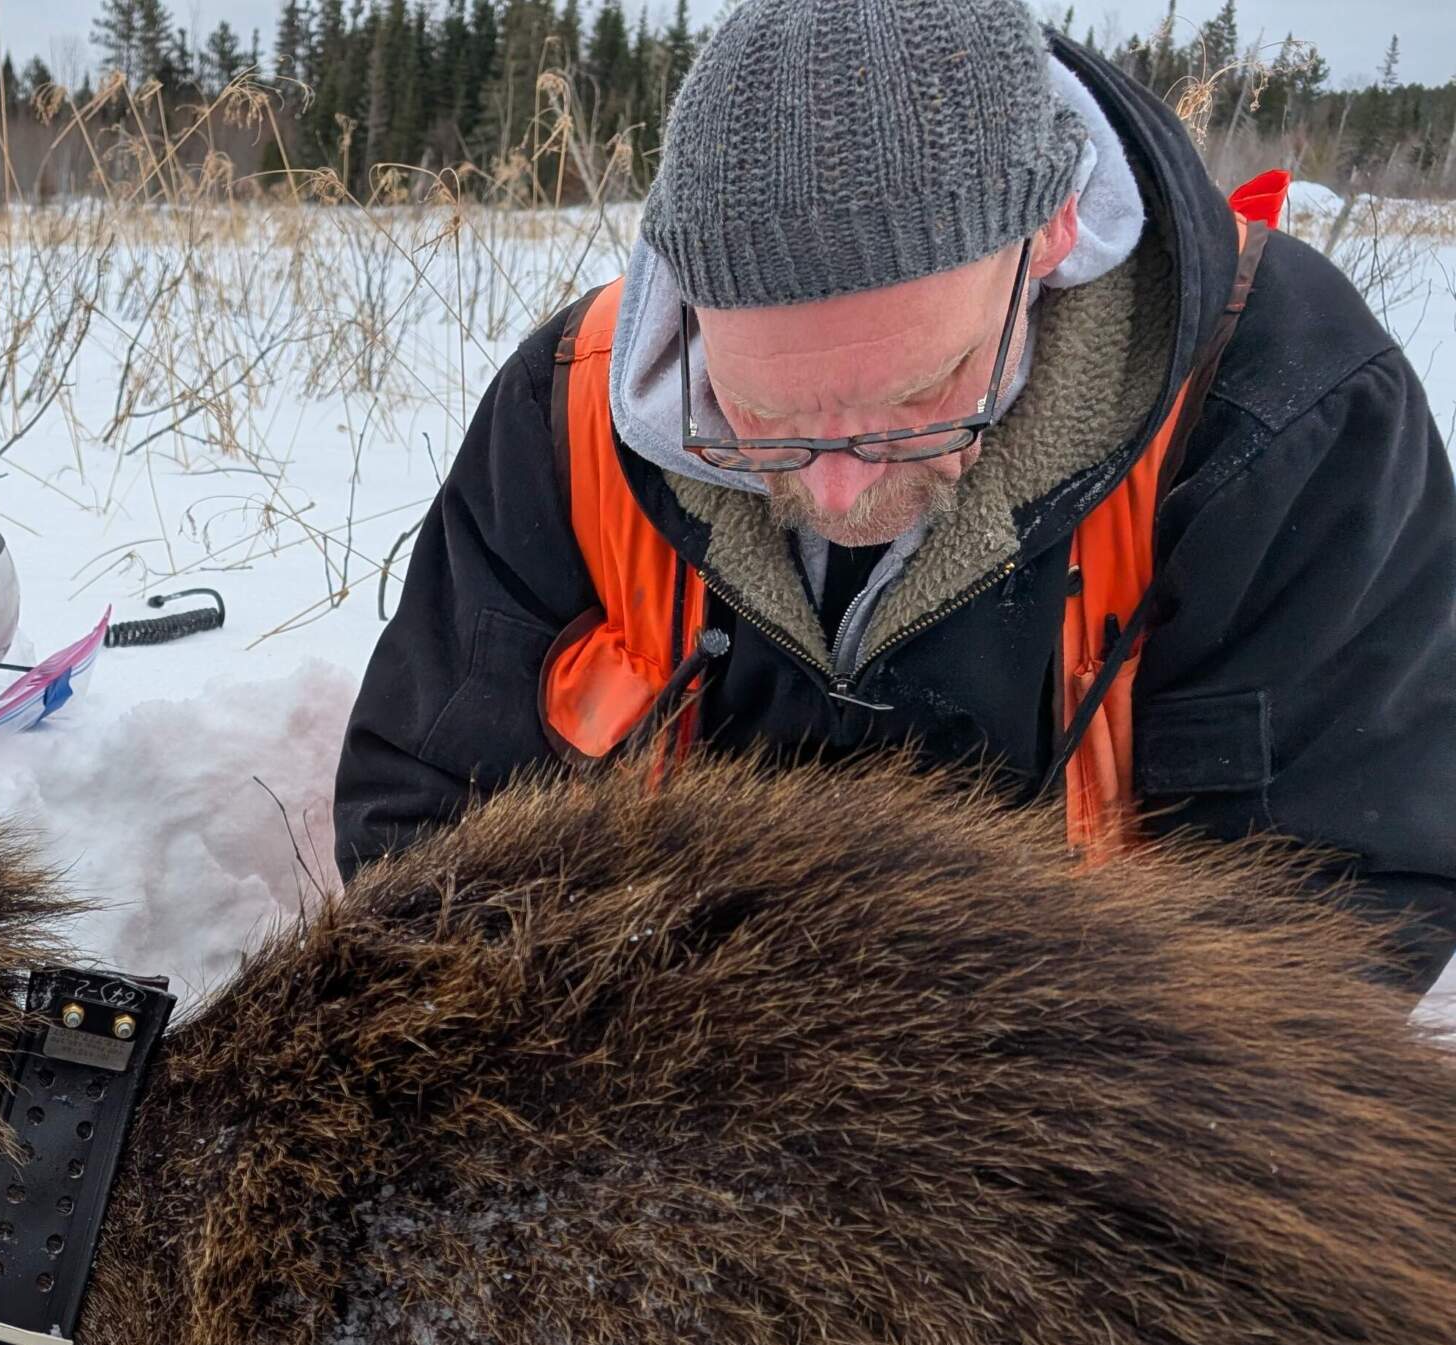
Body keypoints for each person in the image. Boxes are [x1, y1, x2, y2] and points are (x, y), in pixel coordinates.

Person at [336, 0, 1456, 986]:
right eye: (760, 422)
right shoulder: (571, 409)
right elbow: (426, 823)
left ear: (1054, 231)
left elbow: (1330, 938)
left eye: (918, 400)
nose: (831, 485)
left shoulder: (1283, 417)